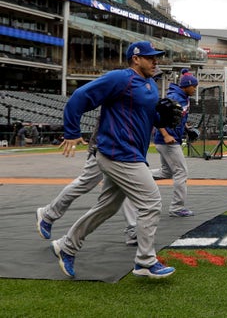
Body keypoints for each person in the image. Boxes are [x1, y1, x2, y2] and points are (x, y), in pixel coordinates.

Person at [49, 41, 180, 279]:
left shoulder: (150, 83)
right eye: (150, 57)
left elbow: (150, 117)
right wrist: (71, 132)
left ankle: (67, 246)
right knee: (151, 202)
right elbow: (80, 96)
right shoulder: (121, 78)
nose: (155, 61)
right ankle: (145, 261)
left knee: (107, 207)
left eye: (156, 57)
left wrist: (165, 119)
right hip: (118, 152)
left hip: (132, 153)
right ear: (136, 59)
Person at [150, 71, 198, 216]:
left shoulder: (183, 97)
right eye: (194, 86)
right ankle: (177, 208)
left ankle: (137, 176)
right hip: (168, 140)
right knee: (181, 172)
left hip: (169, 139)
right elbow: (157, 116)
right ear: (186, 86)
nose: (195, 89)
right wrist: (165, 134)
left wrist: (187, 129)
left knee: (166, 172)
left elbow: (177, 118)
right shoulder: (174, 97)